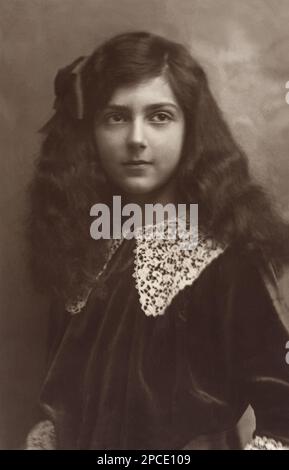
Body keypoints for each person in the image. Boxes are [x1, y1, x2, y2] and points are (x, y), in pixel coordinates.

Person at [25, 31, 289, 450]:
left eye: (159, 116)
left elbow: (283, 419)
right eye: (115, 117)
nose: (136, 139)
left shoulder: (228, 257)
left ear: (191, 129)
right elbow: (62, 400)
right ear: (91, 131)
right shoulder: (86, 244)